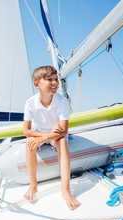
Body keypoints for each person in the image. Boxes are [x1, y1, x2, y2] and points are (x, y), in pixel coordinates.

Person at [23, 65, 81, 211]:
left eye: (56, 79)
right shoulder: (30, 103)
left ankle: (66, 191)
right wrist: (45, 137)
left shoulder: (62, 101)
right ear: (37, 85)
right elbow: (26, 131)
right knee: (29, 143)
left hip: (58, 134)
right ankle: (33, 186)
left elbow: (64, 131)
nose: (55, 82)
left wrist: (49, 137)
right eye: (49, 80)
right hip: (41, 133)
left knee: (62, 142)